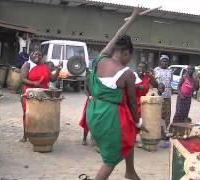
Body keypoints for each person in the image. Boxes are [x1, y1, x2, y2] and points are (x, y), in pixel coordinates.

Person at [82, 8, 148, 180]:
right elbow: (133, 104)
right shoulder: (127, 74)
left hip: (93, 112)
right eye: (129, 56)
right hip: (108, 117)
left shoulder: (101, 59)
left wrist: (132, 18)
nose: (129, 60)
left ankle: (130, 170)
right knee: (110, 160)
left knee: (129, 132)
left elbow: (115, 36)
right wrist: (138, 123)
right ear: (126, 53)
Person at [19, 50, 61, 142]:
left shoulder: (45, 67)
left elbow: (52, 79)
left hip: (43, 93)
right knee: (28, 113)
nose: (37, 56)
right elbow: (22, 79)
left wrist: (58, 70)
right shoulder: (27, 65)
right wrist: (34, 83)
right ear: (31, 55)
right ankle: (25, 134)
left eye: (40, 54)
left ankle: (39, 133)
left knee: (41, 114)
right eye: (35, 54)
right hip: (29, 93)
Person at [153, 54, 173, 148]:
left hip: (167, 97)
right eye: (163, 61)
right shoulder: (156, 70)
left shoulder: (170, 71)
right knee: (158, 115)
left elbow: (170, 83)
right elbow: (153, 83)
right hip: (158, 96)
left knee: (167, 116)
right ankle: (157, 134)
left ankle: (165, 135)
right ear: (160, 61)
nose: (164, 62)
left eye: (166, 61)